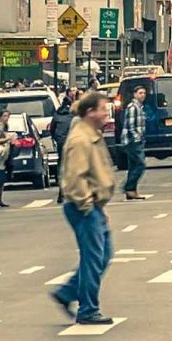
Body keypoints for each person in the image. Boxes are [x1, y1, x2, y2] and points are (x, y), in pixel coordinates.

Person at [52, 91, 117, 325]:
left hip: (93, 206)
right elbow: (74, 178)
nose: (106, 113)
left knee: (103, 255)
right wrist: (88, 206)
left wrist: (98, 206)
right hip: (83, 207)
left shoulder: (89, 133)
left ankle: (67, 293)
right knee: (93, 258)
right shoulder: (80, 139)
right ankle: (88, 308)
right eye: (102, 109)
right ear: (90, 112)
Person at [122, 85, 147, 200]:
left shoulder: (139, 107)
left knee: (133, 166)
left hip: (136, 140)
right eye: (140, 93)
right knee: (140, 164)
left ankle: (131, 191)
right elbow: (131, 126)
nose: (142, 95)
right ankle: (128, 187)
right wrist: (137, 138)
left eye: (144, 93)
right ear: (135, 94)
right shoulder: (133, 107)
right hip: (132, 141)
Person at [49, 99, 75, 204]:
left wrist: (56, 138)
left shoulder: (56, 115)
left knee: (61, 167)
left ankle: (61, 192)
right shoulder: (73, 116)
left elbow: (52, 129)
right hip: (71, 143)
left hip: (60, 143)